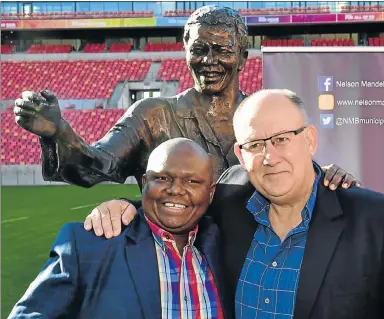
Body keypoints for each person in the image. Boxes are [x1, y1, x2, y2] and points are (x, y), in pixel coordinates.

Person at [84, 89, 384, 319]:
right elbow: (177, 205)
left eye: (281, 139)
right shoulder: (231, 196)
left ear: (310, 140)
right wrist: (127, 207)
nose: (269, 157)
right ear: (239, 154)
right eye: (255, 145)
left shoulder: (379, 219)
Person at [14, 5, 352, 190]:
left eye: (222, 50)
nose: (209, 61)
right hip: (172, 272)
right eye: (199, 49)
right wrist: (59, 132)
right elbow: (97, 166)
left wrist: (329, 177)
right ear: (185, 53)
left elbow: (293, 180)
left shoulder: (262, 119)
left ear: (243, 57)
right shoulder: (152, 115)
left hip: (247, 274)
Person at [6, 138, 240, 319]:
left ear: (210, 193)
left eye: (192, 182)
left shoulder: (227, 242)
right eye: (162, 178)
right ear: (144, 182)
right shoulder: (87, 247)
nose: (175, 190)